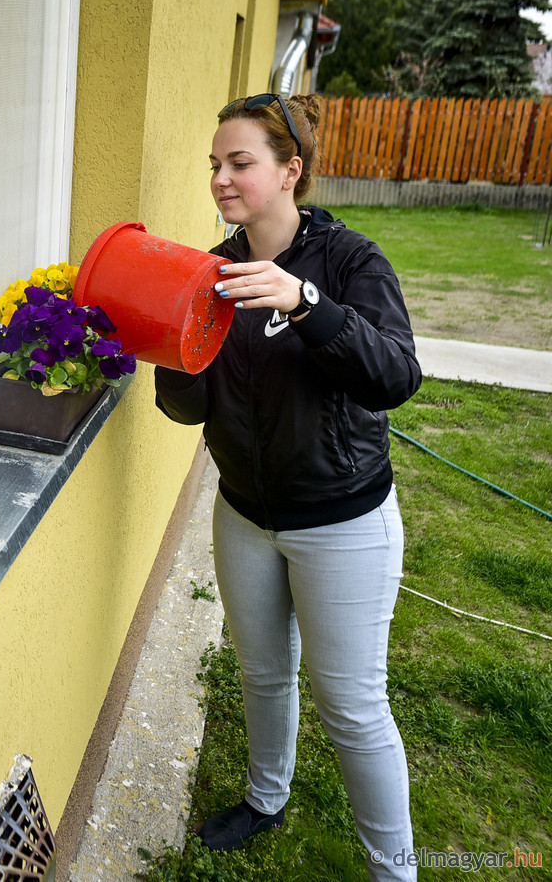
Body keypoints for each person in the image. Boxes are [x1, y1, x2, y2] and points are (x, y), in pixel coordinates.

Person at [154, 93, 421, 881]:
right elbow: (186, 407)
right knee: (262, 673)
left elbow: (396, 376)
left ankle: (396, 870)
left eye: (239, 163)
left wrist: (307, 305)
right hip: (244, 513)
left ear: (289, 171)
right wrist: (167, 339)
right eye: (215, 165)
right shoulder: (213, 271)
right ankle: (267, 798)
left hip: (341, 521)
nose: (222, 180)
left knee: (353, 708)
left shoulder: (349, 263)